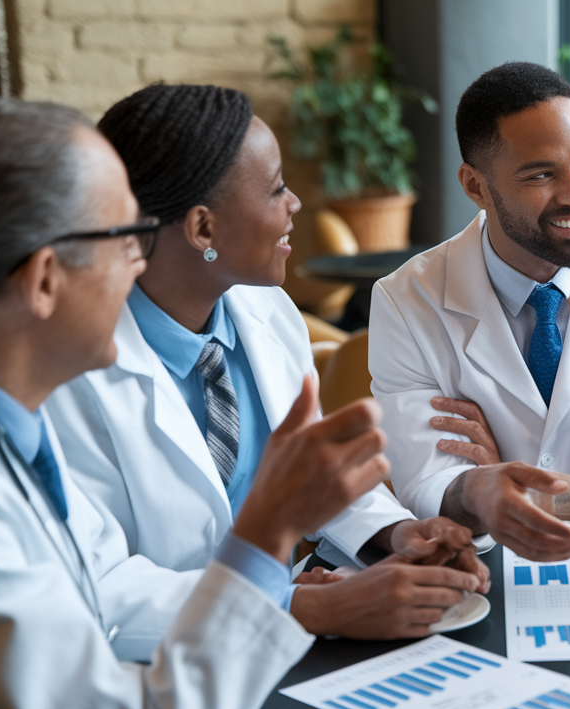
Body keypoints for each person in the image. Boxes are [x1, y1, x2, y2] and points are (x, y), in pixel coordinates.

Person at [0, 96, 390, 709]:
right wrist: (267, 531)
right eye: (127, 238)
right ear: (43, 280)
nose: (141, 264)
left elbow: (89, 588)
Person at [45, 84, 486, 660]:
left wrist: (396, 532)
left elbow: (310, 481)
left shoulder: (268, 314)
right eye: (277, 187)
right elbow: (102, 590)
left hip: (288, 642)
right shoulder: (68, 376)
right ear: (203, 230)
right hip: (163, 676)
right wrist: (296, 605)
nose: (295, 203)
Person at [368, 62, 570, 561]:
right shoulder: (405, 299)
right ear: (476, 186)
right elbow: (425, 480)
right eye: (541, 174)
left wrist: (509, 491)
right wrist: (489, 493)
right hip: (484, 568)